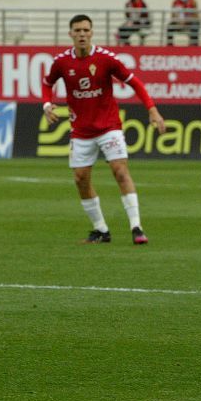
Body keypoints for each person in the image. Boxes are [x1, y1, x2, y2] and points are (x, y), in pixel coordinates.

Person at [42, 14, 167, 245]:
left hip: (108, 126)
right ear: (70, 34)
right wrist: (47, 104)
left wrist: (152, 109)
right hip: (80, 130)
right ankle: (101, 230)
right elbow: (48, 82)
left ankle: (136, 227)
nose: (81, 34)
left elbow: (134, 82)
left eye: (85, 30)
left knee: (120, 171)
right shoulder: (61, 62)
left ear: (91, 33)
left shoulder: (106, 59)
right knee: (80, 179)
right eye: (77, 30)